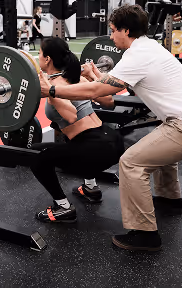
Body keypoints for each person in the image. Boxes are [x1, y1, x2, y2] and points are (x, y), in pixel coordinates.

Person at [39, 4, 182, 252]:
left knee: (132, 163)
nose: (111, 36)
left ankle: (145, 235)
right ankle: (170, 200)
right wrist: (95, 75)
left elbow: (98, 92)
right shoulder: (148, 48)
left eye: (114, 31)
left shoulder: (138, 55)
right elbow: (109, 85)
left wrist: (51, 90)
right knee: (161, 148)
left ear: (126, 30)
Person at [30, 37, 125, 223]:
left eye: (40, 54)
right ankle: (91, 187)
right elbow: (109, 102)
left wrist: (51, 93)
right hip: (112, 140)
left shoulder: (56, 87)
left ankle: (63, 207)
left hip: (95, 150)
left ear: (47, 59)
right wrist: (93, 74)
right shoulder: (77, 77)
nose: (39, 57)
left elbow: (72, 116)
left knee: (36, 156)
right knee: (72, 140)